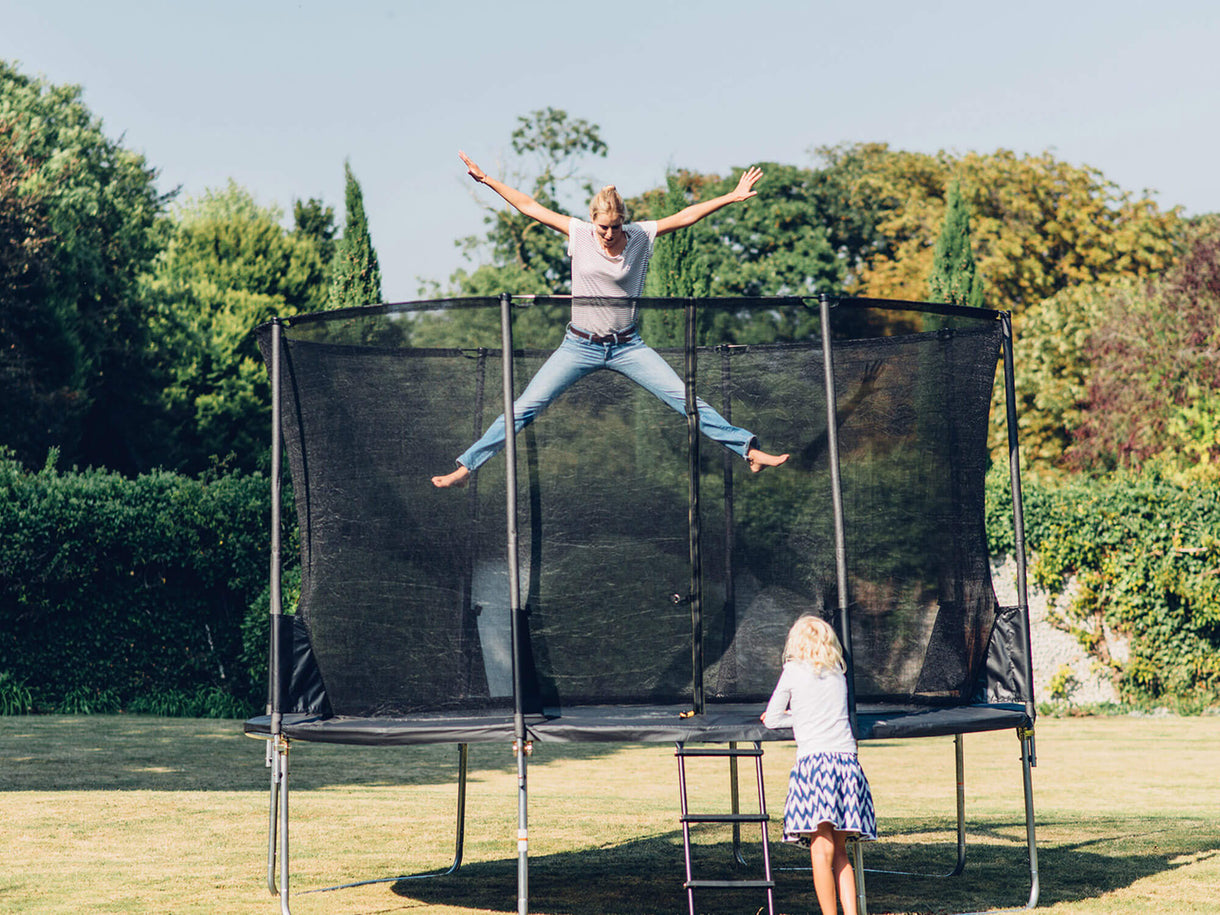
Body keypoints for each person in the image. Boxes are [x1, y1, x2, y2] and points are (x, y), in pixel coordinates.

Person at [431, 151, 789, 488]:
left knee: (686, 399)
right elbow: (530, 207)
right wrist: (488, 180)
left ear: (623, 222)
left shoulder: (639, 237)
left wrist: (731, 196)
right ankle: (466, 468)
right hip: (579, 346)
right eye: (602, 227)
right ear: (593, 221)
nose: (607, 235)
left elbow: (684, 216)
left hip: (628, 346)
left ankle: (749, 451)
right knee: (525, 407)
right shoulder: (579, 233)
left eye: (614, 227)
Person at [762, 614, 876, 915]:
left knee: (820, 848)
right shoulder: (838, 672)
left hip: (815, 766)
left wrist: (794, 717)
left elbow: (772, 719)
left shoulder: (792, 671)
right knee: (840, 851)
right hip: (846, 764)